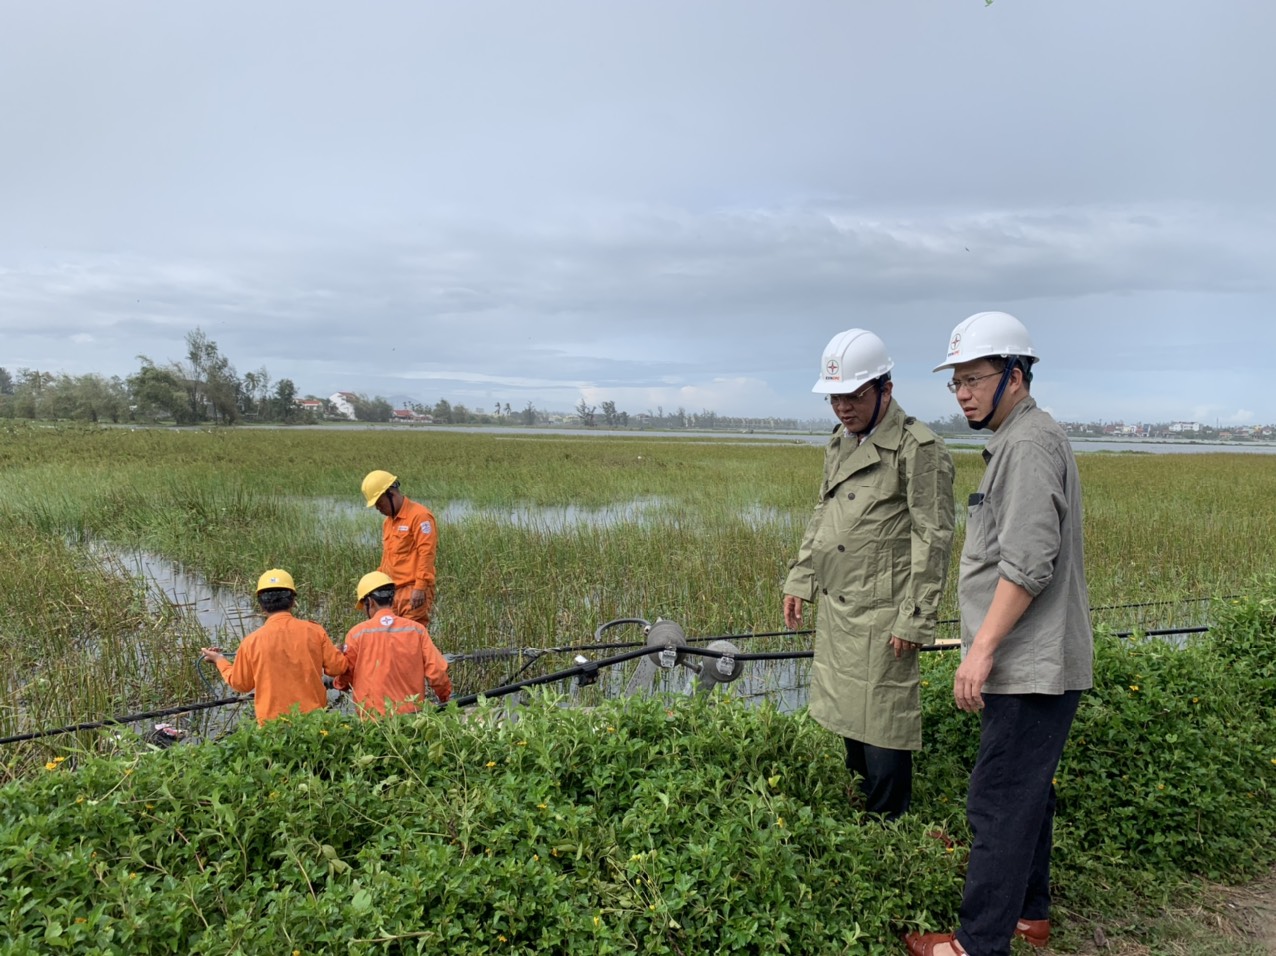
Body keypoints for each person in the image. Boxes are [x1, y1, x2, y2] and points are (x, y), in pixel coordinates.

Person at [904, 312, 1094, 956]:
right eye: (955, 382)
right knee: (1026, 796)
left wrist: (979, 650)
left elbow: (1029, 562)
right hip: (1034, 662)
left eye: (974, 378)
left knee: (999, 801)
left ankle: (976, 945)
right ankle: (1028, 916)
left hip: (1028, 664)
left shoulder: (1028, 445)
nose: (962, 393)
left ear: (1015, 375)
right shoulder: (1020, 438)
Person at [782, 328, 955, 821]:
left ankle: (887, 825)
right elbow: (824, 514)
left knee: (883, 722)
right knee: (847, 717)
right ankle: (863, 812)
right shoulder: (840, 441)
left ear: (886, 388)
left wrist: (915, 617)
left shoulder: (919, 448)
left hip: (886, 610)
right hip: (841, 606)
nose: (842, 407)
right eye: (834, 397)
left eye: (853, 395)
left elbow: (934, 536)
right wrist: (801, 578)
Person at [200, 568, 349, 727]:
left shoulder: (251, 642)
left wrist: (219, 660)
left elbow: (241, 684)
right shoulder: (314, 631)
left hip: (272, 728)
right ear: (292, 601)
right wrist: (335, 651)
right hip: (314, 723)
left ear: (261, 604)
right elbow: (337, 667)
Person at [334, 571, 452, 718]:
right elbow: (437, 672)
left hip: (373, 720)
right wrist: (445, 698)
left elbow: (346, 674)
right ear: (392, 599)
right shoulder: (417, 630)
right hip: (413, 718)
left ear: (369, 602)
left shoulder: (356, 634)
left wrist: (339, 683)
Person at [361, 470, 439, 628]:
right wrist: (375, 586)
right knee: (391, 639)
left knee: (410, 639)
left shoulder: (420, 516)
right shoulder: (388, 523)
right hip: (391, 594)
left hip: (413, 593)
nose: (378, 509)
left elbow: (427, 553)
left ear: (390, 493)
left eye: (380, 504)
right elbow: (387, 560)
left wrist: (420, 587)